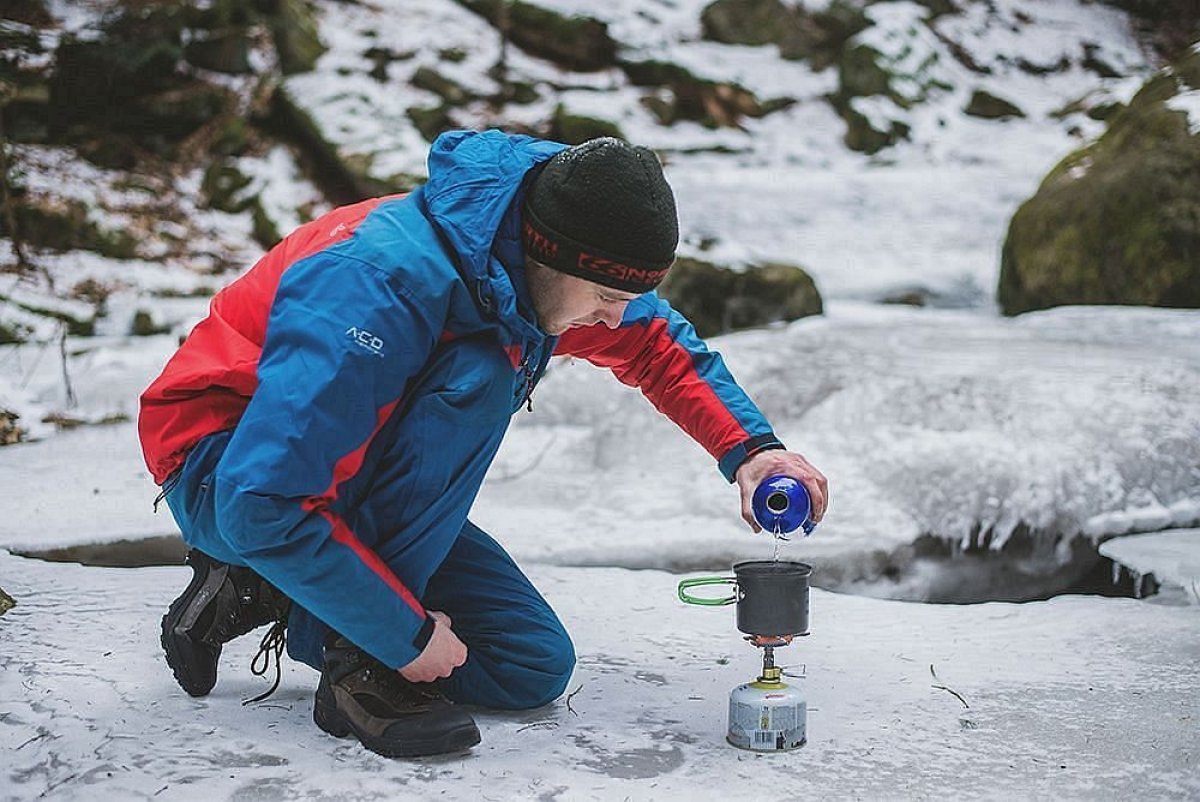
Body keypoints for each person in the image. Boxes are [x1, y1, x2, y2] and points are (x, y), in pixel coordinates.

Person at [138, 130, 828, 759]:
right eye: (604, 296)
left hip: (330, 474)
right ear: (548, 253)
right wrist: (402, 639)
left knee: (529, 664)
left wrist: (754, 450)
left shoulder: (531, 267)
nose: (616, 317)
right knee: (475, 376)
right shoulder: (380, 281)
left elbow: (658, 344)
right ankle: (358, 658)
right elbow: (261, 498)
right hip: (222, 465)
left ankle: (270, 584)